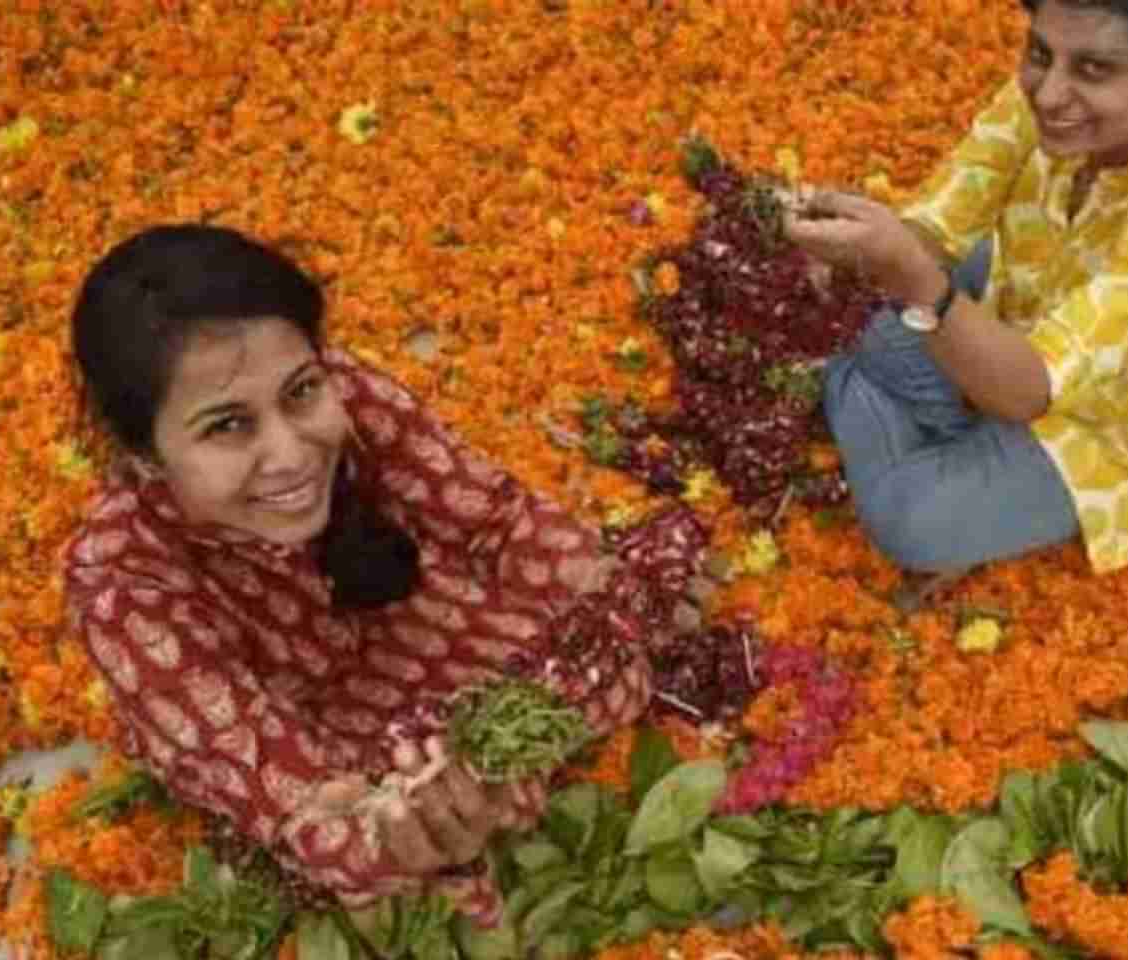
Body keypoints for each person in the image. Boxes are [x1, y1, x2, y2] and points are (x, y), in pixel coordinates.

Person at [64, 224, 705, 921]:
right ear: (145, 457)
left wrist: (609, 594)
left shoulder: (348, 396)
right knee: (404, 873)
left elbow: (497, 523)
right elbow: (288, 790)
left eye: (301, 391)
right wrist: (388, 832)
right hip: (293, 737)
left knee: (608, 647)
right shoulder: (124, 585)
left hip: (397, 623)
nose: (290, 454)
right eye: (227, 426)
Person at [784, 0, 1128, 600]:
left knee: (908, 518)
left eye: (1094, 70)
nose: (1049, 94)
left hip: (1111, 432)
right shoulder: (1056, 102)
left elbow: (1027, 391)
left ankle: (894, 405)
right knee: (874, 331)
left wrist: (914, 280)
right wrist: (863, 246)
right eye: (1039, 54)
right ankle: (941, 417)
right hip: (1022, 308)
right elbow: (941, 222)